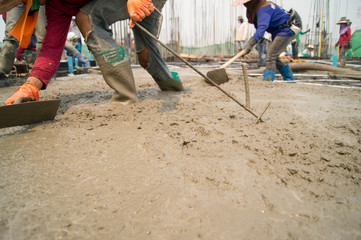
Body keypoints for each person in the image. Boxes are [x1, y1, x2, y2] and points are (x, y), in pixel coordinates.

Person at [5, 0, 184, 105]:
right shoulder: (55, 5)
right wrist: (30, 86)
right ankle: (172, 88)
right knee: (146, 58)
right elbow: (51, 47)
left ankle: (126, 99)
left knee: (86, 18)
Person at [239, 0, 300, 81]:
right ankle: (289, 79)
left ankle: (267, 82)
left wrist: (249, 45)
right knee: (273, 56)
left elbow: (261, 29)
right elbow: (259, 29)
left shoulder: (263, 9)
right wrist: (257, 40)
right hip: (278, 30)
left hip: (287, 28)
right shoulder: (256, 10)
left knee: (271, 55)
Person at [0, 4, 46, 76]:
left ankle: (43, 71)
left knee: (42, 35)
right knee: (11, 35)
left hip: (38, 2)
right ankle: (2, 71)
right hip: (16, 2)